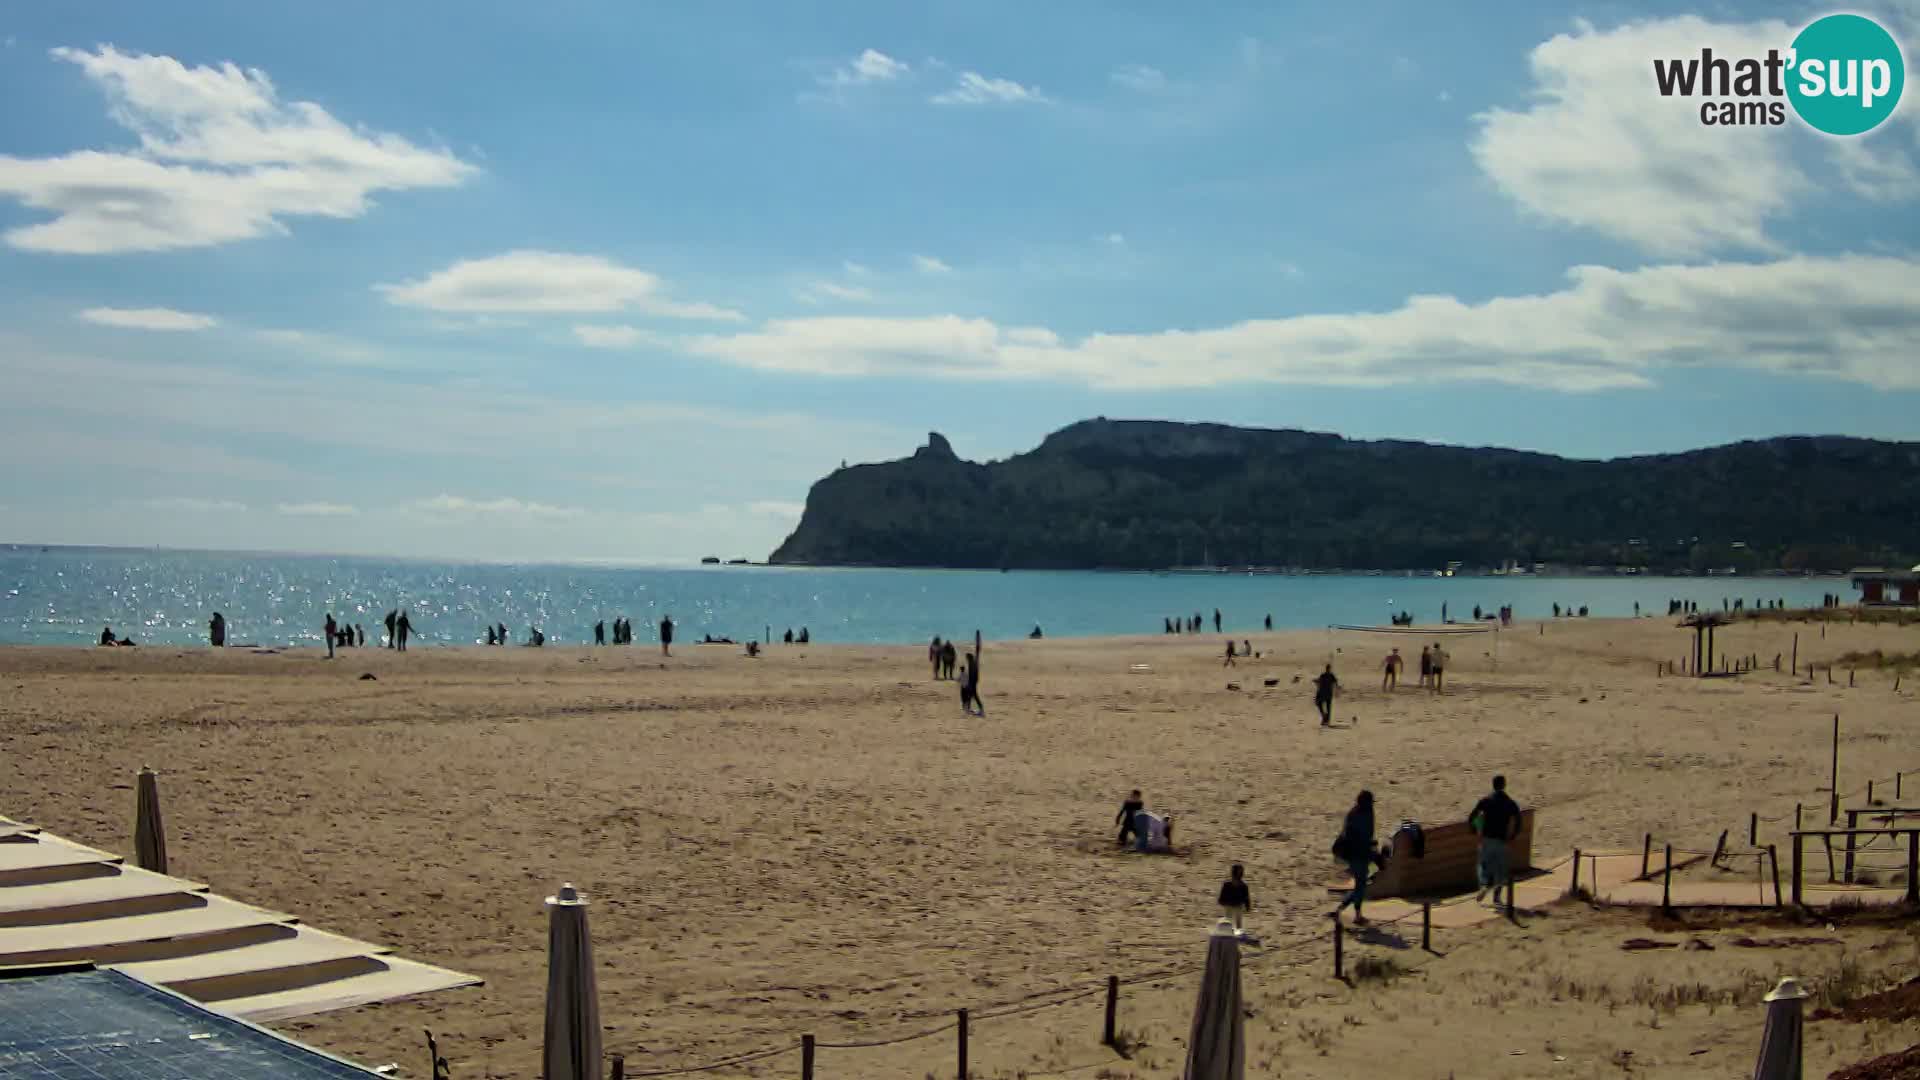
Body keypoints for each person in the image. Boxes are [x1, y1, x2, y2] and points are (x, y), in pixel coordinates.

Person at [1471, 775, 1524, 905]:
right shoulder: (1510, 802)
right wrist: (1513, 836)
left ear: (1493, 785)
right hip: (1501, 839)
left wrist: (1475, 830)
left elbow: (1472, 816)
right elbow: (1518, 821)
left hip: (1487, 838)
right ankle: (1496, 897)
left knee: (1484, 865)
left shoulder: (1486, 800)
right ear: (1504, 785)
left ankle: (1484, 885)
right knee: (1500, 869)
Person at [1333, 790, 1378, 924]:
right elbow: (1364, 836)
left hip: (1355, 854)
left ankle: (1346, 910)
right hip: (1359, 854)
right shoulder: (1365, 814)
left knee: (1361, 884)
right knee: (1360, 885)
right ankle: (1350, 912)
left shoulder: (1354, 813)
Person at [1218, 864, 1252, 929]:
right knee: (1230, 921)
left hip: (1235, 905)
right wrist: (1247, 907)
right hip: (1231, 905)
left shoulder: (1242, 886)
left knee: (1234, 922)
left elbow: (1246, 897)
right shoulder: (1241, 886)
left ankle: (1234, 933)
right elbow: (1246, 898)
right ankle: (1229, 933)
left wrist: (1247, 906)